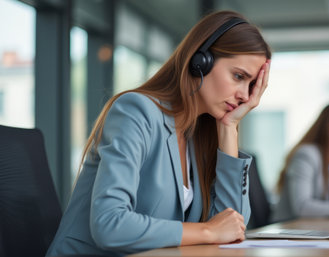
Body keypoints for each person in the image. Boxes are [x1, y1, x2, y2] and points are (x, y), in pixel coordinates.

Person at [46, 10, 271, 257]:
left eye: (251, 85)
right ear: (200, 61)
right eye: (238, 76)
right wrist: (207, 231)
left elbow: (231, 227)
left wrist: (229, 128)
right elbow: (109, 224)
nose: (244, 95)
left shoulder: (199, 134)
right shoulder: (136, 111)